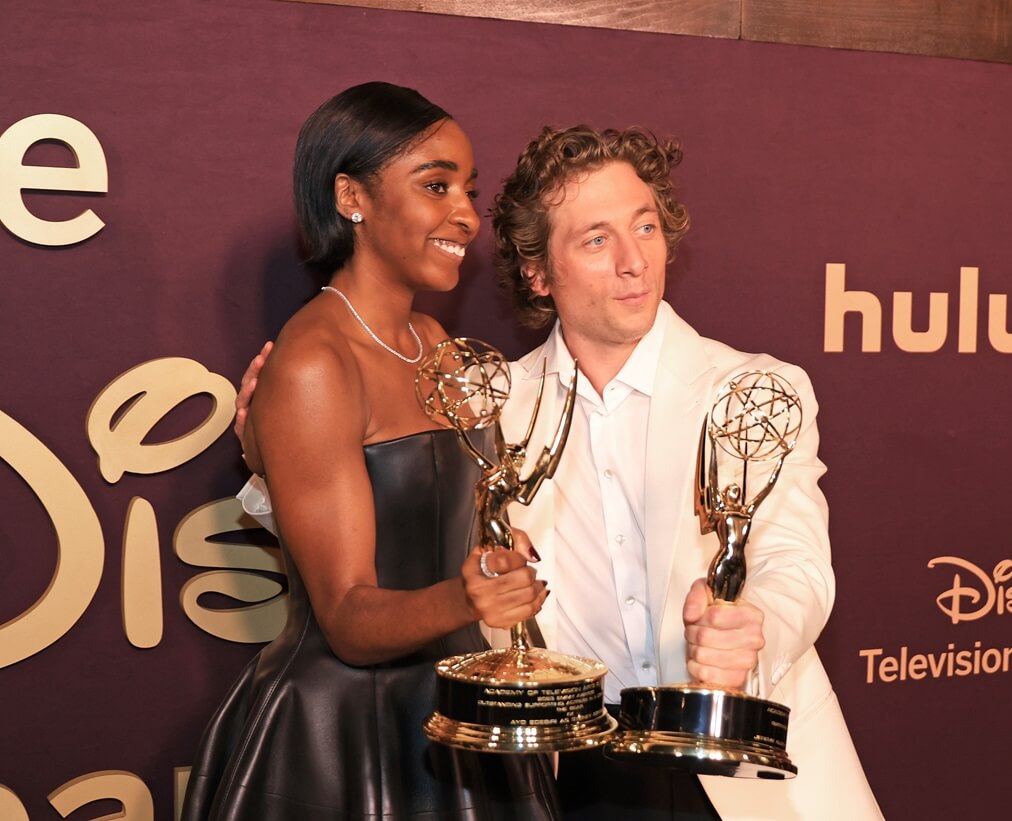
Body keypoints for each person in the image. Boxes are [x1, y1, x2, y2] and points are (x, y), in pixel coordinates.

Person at [236, 125, 882, 819]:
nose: (635, 261)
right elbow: (399, 534)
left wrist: (754, 632)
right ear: (539, 272)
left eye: (646, 226)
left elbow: (798, 563)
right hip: (566, 776)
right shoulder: (488, 404)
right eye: (597, 240)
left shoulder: (752, 388)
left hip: (741, 773)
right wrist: (272, 454)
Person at [181, 82, 559, 821]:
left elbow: (444, 522)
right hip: (339, 740)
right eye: (435, 184)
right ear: (351, 197)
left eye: (468, 190)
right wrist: (468, 594)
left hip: (456, 714)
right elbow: (349, 619)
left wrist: (491, 550)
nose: (464, 214)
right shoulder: (315, 363)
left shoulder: (441, 347)